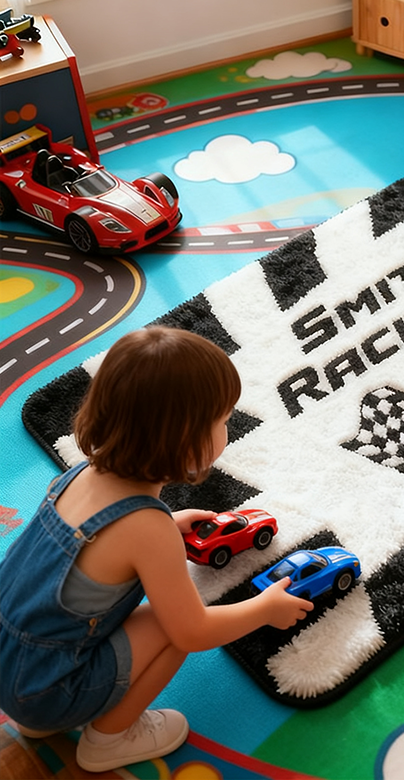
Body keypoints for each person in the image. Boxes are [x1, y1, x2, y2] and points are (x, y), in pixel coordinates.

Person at [0, 326, 314, 773]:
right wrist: (265, 608)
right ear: (186, 440)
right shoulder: (147, 528)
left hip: (12, 665)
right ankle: (109, 739)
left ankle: (37, 709)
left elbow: (89, 557)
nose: (228, 427)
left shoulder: (79, 476)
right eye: (222, 421)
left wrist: (168, 525)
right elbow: (194, 632)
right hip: (50, 692)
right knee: (172, 623)